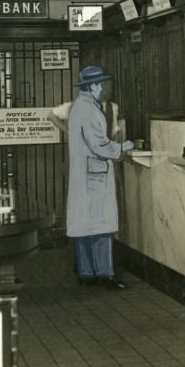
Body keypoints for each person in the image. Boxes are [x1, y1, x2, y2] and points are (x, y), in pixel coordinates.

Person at [63, 65, 133, 289]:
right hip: (94, 177)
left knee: (84, 227)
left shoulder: (79, 107)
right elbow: (99, 145)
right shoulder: (90, 111)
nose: (104, 88)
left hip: (84, 174)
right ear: (93, 86)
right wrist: (123, 147)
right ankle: (104, 273)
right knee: (101, 227)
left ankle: (86, 273)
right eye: (101, 84)